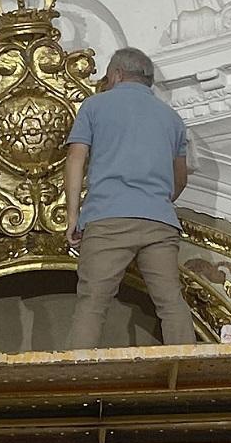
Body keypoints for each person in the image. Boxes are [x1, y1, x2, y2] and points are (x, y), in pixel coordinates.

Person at [63, 47, 196, 349]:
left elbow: (75, 159)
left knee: (92, 304)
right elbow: (181, 176)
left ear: (116, 74)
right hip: (159, 222)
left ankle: (76, 380)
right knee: (171, 302)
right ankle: (188, 374)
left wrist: (73, 216)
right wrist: (158, 201)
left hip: (107, 218)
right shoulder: (172, 118)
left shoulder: (95, 106)